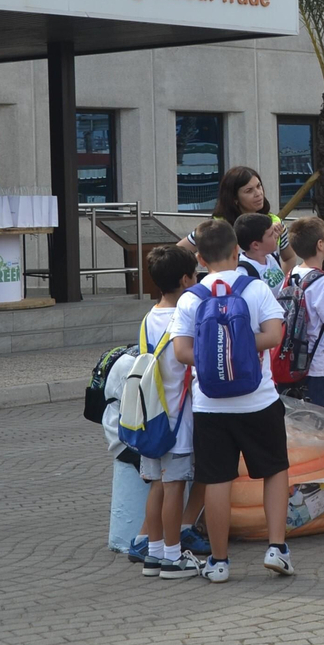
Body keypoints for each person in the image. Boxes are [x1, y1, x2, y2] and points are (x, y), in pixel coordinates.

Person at [168, 219, 294, 583]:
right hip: (259, 399)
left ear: (201, 260)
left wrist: (214, 353)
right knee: (274, 470)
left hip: (209, 404)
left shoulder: (191, 298)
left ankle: (219, 561)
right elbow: (273, 336)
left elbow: (181, 351)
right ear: (237, 251)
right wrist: (240, 350)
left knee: (217, 479)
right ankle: (276, 549)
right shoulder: (254, 289)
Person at [138, 245, 203, 579]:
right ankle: (173, 558)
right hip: (177, 418)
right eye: (195, 276)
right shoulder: (184, 317)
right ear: (184, 279)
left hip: (152, 417)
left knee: (157, 485)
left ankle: (153, 553)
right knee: (175, 485)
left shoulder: (149, 316)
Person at [282, 217, 324, 408]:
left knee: (298, 426)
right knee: (318, 428)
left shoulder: (291, 275)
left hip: (293, 363)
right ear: (320, 245)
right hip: (317, 365)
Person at [179, 166, 295, 276]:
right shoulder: (216, 227)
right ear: (234, 198)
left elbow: (289, 257)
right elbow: (177, 252)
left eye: (259, 186)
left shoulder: (274, 222)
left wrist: (281, 287)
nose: (258, 193)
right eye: (249, 190)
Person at [236, 212, 286, 292]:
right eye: (271, 234)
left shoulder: (271, 256)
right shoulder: (244, 272)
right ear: (255, 245)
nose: (276, 235)